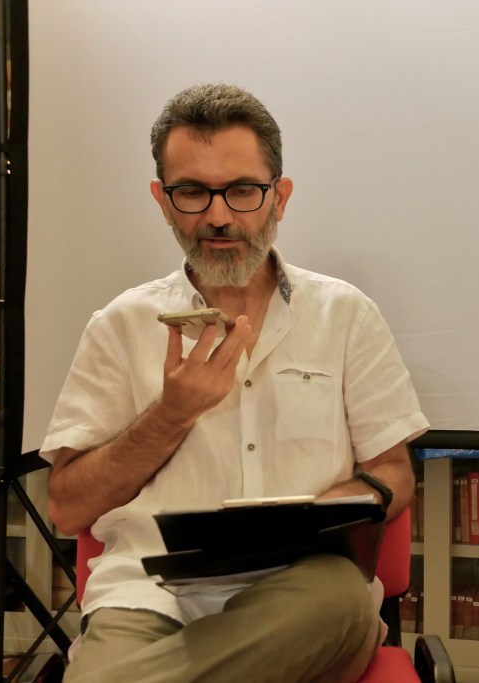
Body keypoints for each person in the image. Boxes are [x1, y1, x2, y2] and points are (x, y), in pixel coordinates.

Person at [41, 83, 429, 683]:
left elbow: (395, 472)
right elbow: (68, 508)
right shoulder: (120, 325)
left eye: (243, 191)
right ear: (162, 201)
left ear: (280, 197)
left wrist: (342, 505)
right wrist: (169, 416)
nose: (219, 216)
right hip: (148, 596)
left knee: (344, 599)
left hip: (304, 594)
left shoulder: (346, 314)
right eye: (192, 192)